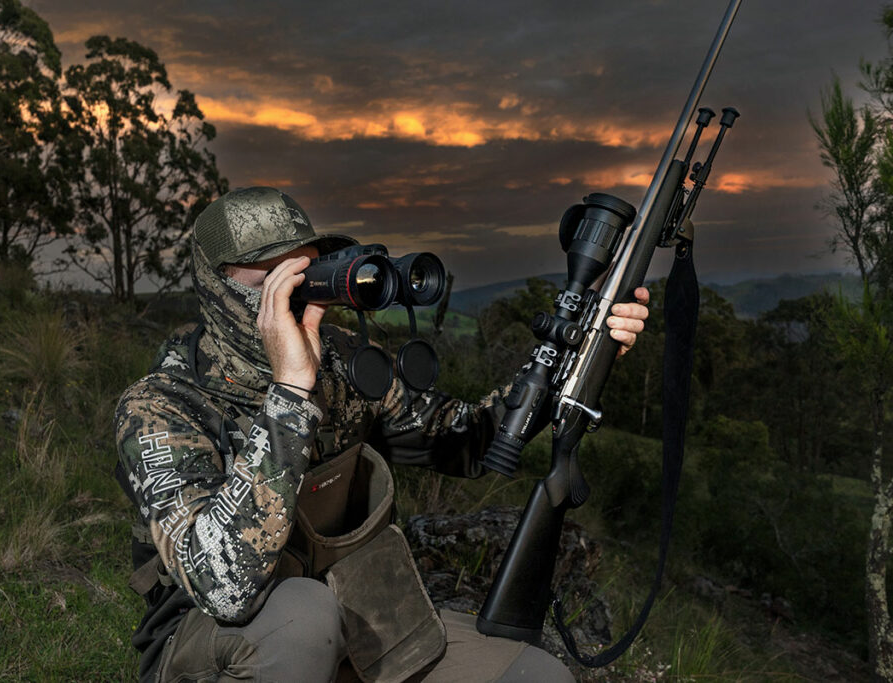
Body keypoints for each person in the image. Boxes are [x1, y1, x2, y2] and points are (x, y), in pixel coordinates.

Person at [115, 186, 650, 683]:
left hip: (358, 614)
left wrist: (579, 356)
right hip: (221, 645)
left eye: (302, 277)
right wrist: (292, 391)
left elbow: (468, 438)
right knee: (302, 616)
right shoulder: (161, 407)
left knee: (536, 675)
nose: (291, 299)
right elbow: (224, 589)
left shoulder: (344, 363)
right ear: (218, 288)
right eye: (269, 284)